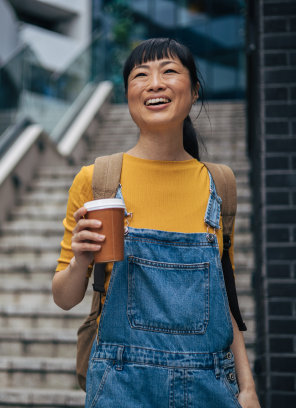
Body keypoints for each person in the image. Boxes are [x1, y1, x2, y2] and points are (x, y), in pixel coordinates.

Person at [52, 38, 261, 407]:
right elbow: (64, 297)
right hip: (120, 385)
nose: (155, 83)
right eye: (140, 75)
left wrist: (247, 388)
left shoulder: (220, 184)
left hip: (210, 385)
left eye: (169, 71)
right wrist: (81, 259)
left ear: (194, 90)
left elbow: (225, 300)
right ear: (128, 93)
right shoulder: (97, 180)